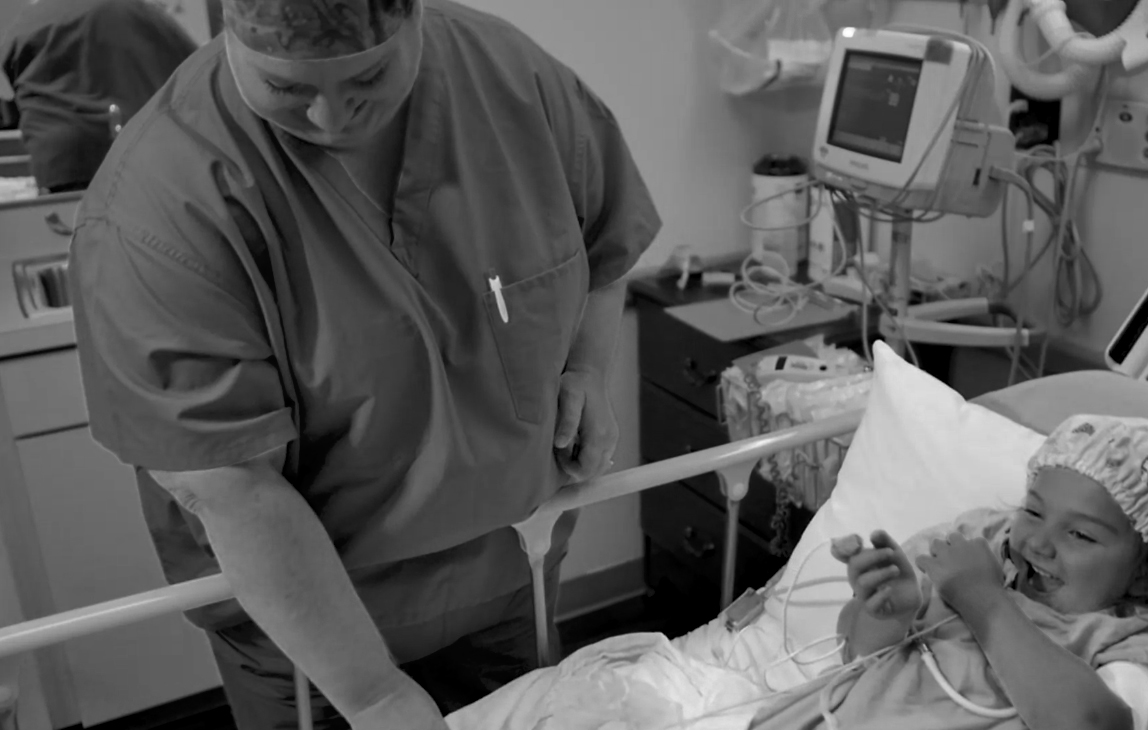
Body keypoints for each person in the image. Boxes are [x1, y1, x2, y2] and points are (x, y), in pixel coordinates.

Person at [66, 0, 661, 728]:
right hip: (313, 632)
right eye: (289, 90)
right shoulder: (163, 205)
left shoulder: (513, 80)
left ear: (416, 18)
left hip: (512, 570)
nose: (333, 118)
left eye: (370, 77)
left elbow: (603, 239)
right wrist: (372, 694)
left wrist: (587, 369)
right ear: (228, 31)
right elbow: (224, 482)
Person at [760, 414, 1148, 730]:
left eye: (1082, 536)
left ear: (1147, 571)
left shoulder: (1135, 638)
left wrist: (986, 604)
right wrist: (889, 613)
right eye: (1033, 511)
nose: (1039, 543)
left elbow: (1092, 724)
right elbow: (856, 654)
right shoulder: (979, 545)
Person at [0, 0, 198, 192]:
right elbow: (199, 72)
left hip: (62, 162)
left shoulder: (29, 21)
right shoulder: (140, 12)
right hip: (145, 156)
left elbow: (15, 94)